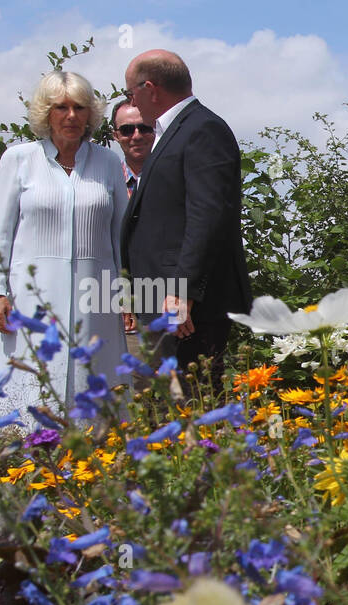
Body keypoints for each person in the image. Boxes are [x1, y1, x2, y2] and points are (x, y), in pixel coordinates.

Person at [0, 70, 132, 425]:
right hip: (29, 299)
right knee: (31, 388)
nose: (71, 116)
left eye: (79, 107)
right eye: (61, 107)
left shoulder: (109, 163)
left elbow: (121, 236)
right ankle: (25, 470)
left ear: (90, 114)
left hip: (96, 298)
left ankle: (96, 472)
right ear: (45, 112)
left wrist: (127, 293)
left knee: (95, 394)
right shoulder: (18, 159)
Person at [121, 49, 251, 390]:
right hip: (163, 299)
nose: (130, 99)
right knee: (165, 413)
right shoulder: (174, 131)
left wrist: (183, 291)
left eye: (129, 92)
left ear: (150, 88)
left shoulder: (202, 129)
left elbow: (208, 215)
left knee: (191, 409)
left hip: (187, 309)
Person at [111, 100, 154, 360]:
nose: (136, 136)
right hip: (121, 310)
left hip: (172, 303)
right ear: (116, 136)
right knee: (132, 393)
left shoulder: (177, 177)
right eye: (127, 130)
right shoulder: (103, 184)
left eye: (144, 127)